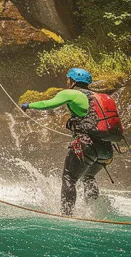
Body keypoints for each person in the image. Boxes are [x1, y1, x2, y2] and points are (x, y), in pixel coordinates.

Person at [21, 67, 124, 215]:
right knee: (88, 176)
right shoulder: (99, 97)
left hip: (86, 145)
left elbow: (48, 104)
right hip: (106, 149)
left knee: (69, 178)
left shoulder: (70, 93)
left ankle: (66, 215)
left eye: (68, 79)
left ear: (73, 81)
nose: (67, 82)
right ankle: (93, 211)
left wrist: (28, 105)